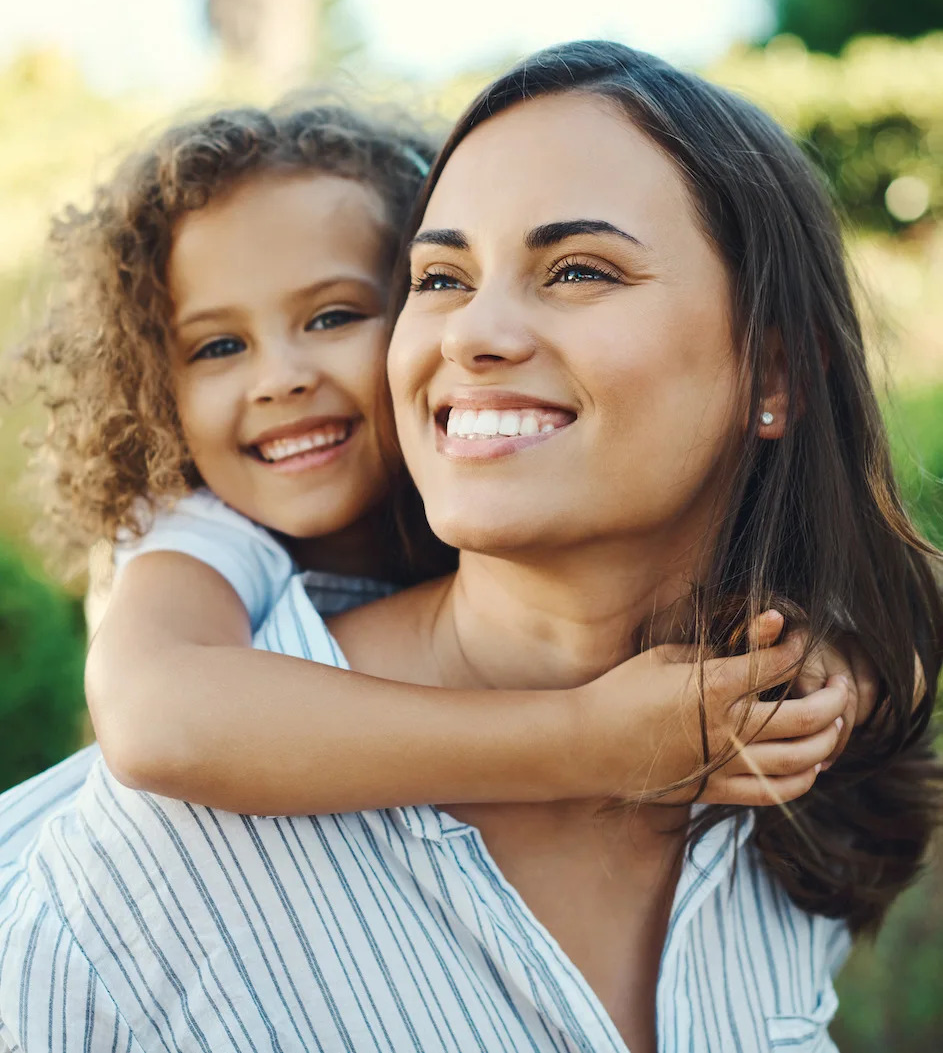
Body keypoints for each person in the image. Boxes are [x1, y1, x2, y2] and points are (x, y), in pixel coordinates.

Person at [2, 40, 938, 1051]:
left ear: (776, 369)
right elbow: (155, 714)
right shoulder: (138, 881)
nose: (468, 334)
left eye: (577, 268)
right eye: (441, 277)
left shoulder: (779, 775)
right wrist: (593, 741)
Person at [3, 98, 855, 829]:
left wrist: (809, 675)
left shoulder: (481, 488)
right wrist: (588, 742)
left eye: (332, 317)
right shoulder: (201, 534)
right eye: (218, 344)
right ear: (157, 388)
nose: (280, 378)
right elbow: (159, 720)